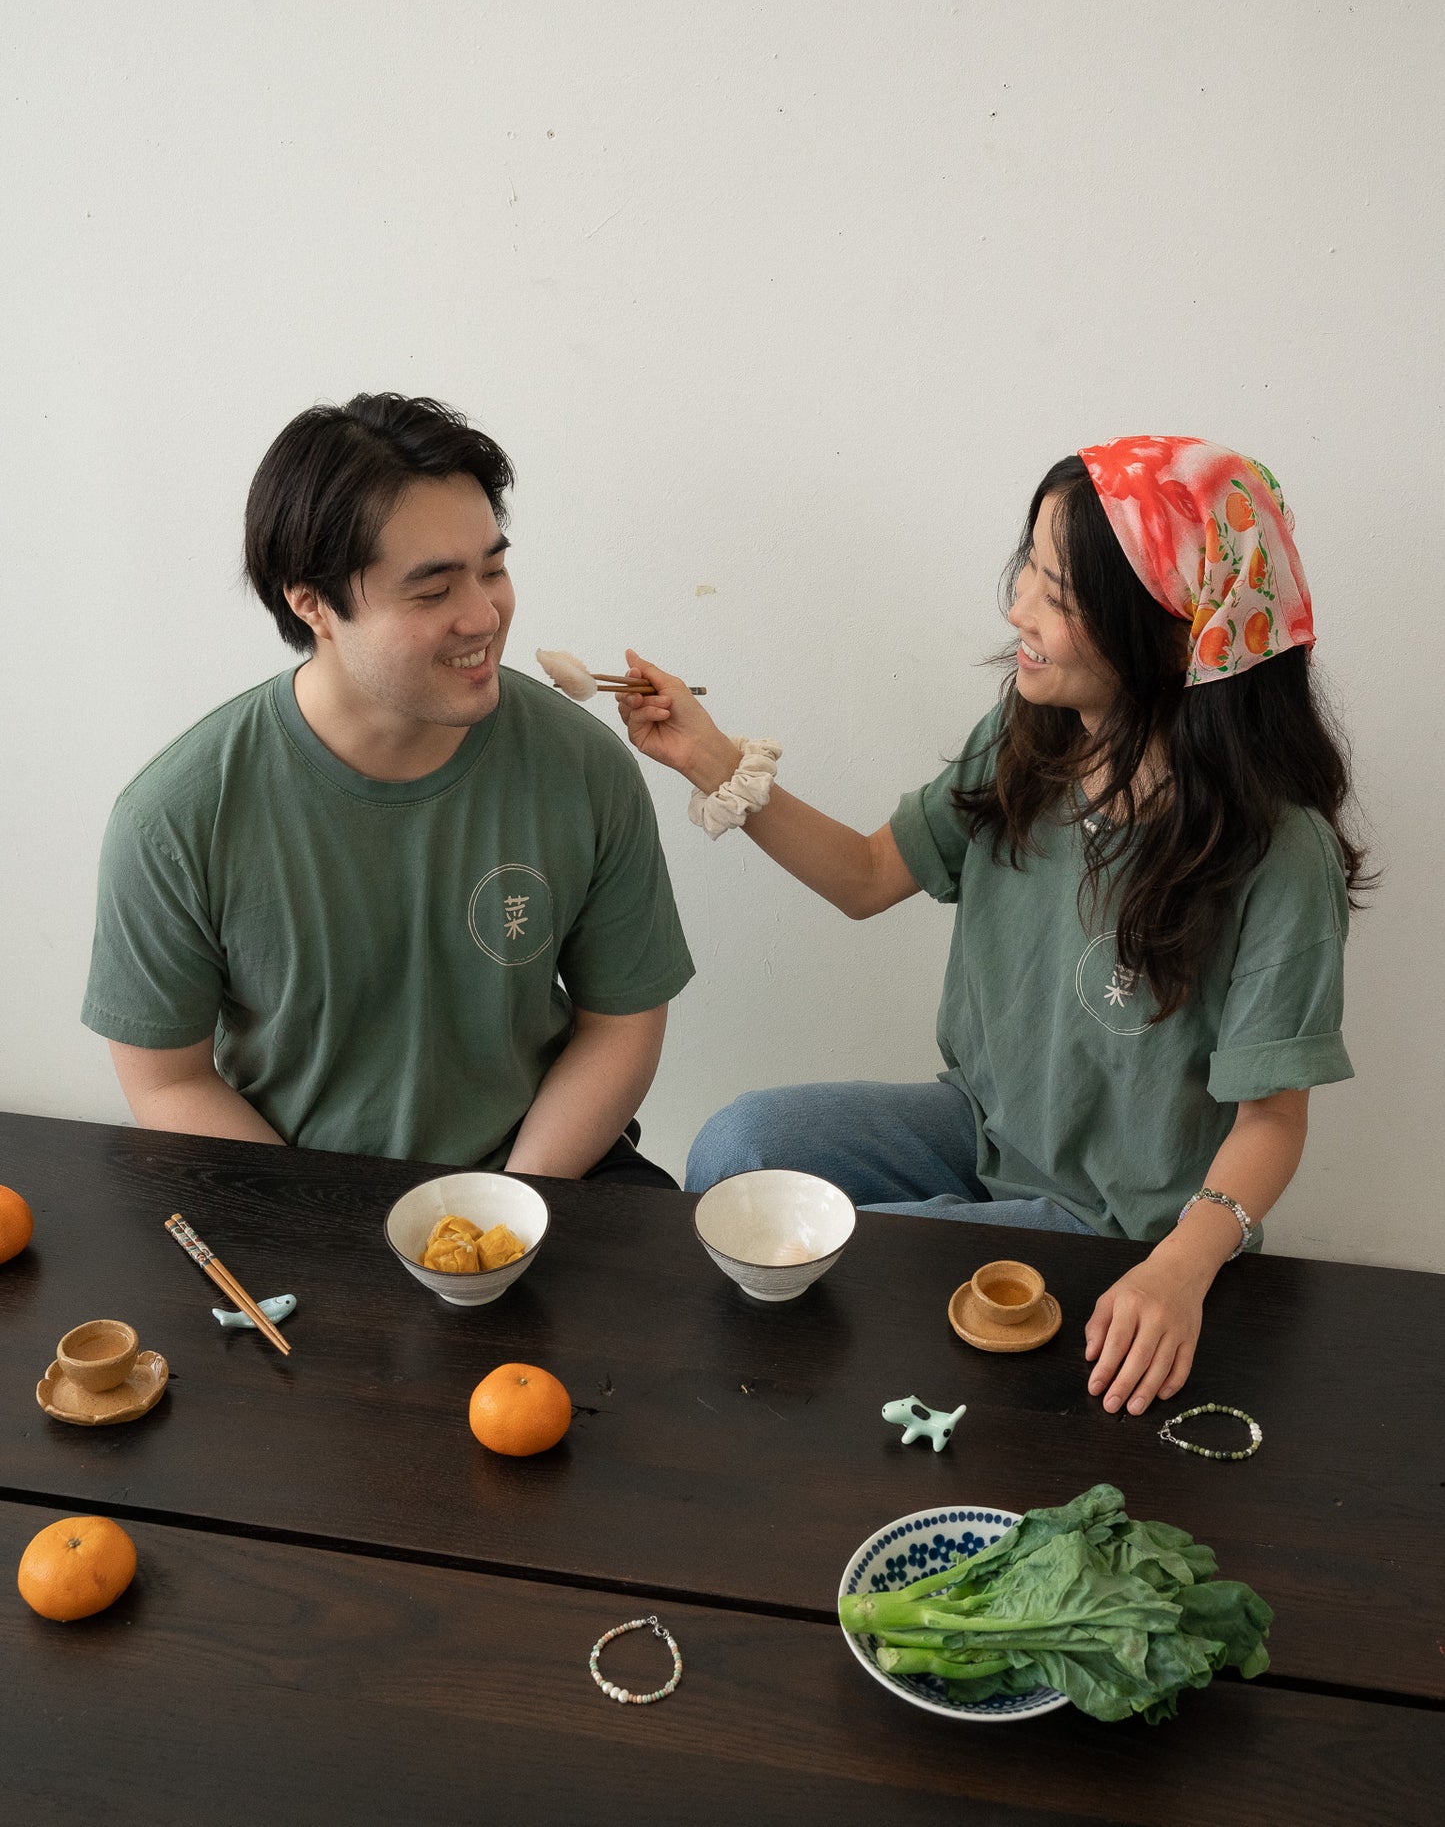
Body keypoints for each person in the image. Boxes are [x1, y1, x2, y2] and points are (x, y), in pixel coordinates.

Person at [617, 436, 1366, 1409]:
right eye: (1028, 572)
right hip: (982, 1126)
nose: (1016, 609)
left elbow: (1271, 1118)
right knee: (735, 1152)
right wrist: (710, 759)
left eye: (1056, 593)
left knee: (849, 1262)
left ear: (1170, 632)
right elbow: (866, 873)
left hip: (1123, 1218)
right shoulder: (1025, 743)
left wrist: (1181, 1265)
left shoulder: (1276, 852)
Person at [82, 393, 693, 1184]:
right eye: (433, 590)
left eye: (494, 569)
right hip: (296, 1190)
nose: (483, 615)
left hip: (543, 1173)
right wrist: (333, 1233)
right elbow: (169, 1080)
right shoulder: (174, 815)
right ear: (312, 602)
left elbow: (621, 1024)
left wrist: (501, 1213)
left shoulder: (582, 763)